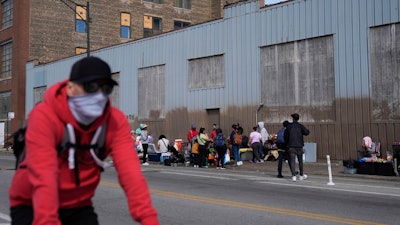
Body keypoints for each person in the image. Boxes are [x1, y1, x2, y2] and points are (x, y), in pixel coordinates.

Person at [8, 56, 159, 225]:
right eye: (91, 86)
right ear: (70, 88)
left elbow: (131, 174)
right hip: (32, 203)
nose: (99, 95)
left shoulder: (114, 121)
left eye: (106, 88)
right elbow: (44, 177)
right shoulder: (45, 116)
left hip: (78, 205)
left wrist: (149, 219)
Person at [285, 113, 310, 182]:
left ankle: (293, 176)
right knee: (300, 161)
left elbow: (286, 136)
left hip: (291, 145)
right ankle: (301, 175)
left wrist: (287, 143)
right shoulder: (300, 126)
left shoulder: (289, 126)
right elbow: (307, 132)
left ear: (293, 119)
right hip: (299, 146)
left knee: (292, 161)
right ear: (298, 119)